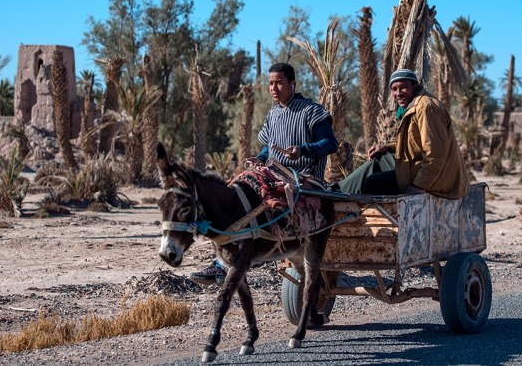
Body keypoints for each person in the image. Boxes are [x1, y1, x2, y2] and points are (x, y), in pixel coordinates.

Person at [191, 63, 338, 285]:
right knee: (240, 193)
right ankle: (222, 262)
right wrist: (259, 159)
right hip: (274, 175)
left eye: (278, 82)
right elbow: (269, 149)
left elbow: (330, 143)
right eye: (270, 83)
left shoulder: (312, 111)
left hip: (305, 178)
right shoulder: (273, 114)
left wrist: (304, 150)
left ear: (292, 83)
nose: (273, 88)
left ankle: (234, 260)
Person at [339, 69, 469, 199]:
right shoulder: (413, 106)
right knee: (378, 160)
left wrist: (420, 185)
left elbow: (436, 154)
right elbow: (417, 143)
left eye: (403, 88)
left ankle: (347, 202)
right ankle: (338, 190)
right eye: (394, 89)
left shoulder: (425, 107)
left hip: (439, 179)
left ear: (415, 86)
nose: (398, 93)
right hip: (418, 165)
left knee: (373, 183)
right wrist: (388, 147)